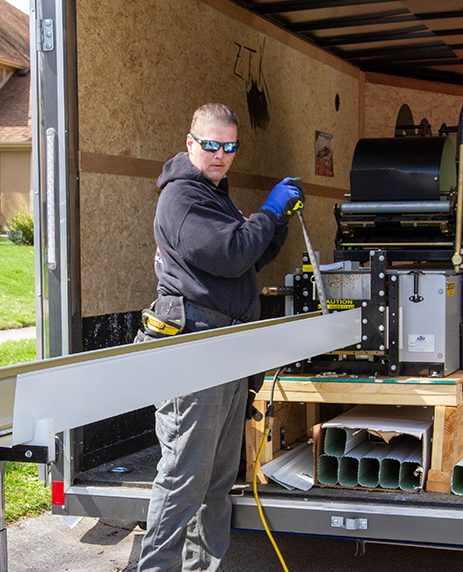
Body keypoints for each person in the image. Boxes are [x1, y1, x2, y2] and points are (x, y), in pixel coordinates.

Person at [136, 103, 303, 572]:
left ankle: (201, 567)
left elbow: (245, 259)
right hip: (195, 348)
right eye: (211, 145)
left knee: (215, 481)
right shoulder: (183, 198)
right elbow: (231, 253)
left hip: (225, 349)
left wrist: (277, 223)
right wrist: (267, 211)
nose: (221, 155)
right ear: (190, 144)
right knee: (184, 477)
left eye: (230, 147)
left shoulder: (213, 194)